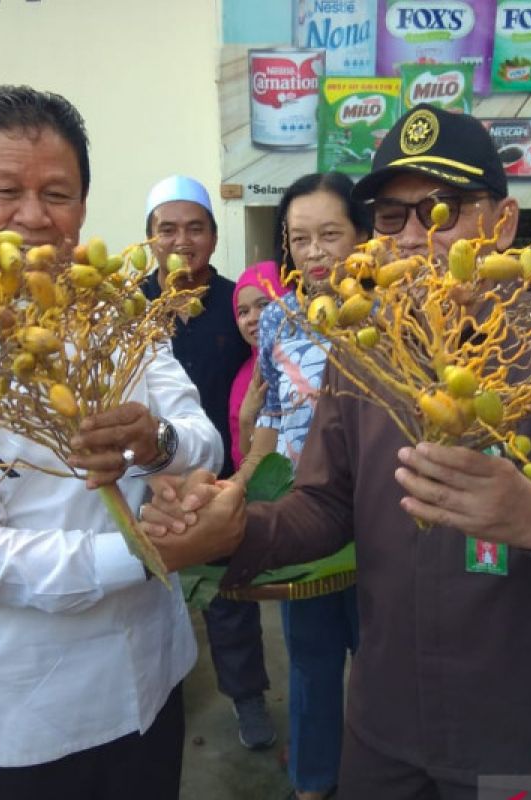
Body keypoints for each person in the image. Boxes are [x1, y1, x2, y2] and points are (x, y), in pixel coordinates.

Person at [141, 104, 531, 799]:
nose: (418, 236)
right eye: (393, 216)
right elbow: (325, 507)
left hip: (513, 730)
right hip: (386, 723)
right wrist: (235, 527)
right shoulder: (365, 353)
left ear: (504, 223)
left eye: (443, 209)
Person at [0, 85, 221, 800]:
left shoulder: (121, 324)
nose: (32, 217)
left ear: (83, 208)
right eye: (6, 190)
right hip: (20, 727)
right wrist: (145, 553)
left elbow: (203, 443)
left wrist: (158, 444)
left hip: (149, 688)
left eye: (57, 193)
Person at [234, 173, 367, 800]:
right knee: (310, 661)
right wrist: (245, 491)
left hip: (378, 521)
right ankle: (313, 782)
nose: (315, 253)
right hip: (302, 518)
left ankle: (376, 776)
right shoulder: (279, 322)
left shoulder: (393, 317)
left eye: (330, 235)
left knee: (379, 664)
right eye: (300, 239)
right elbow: (271, 416)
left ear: (362, 236)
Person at [141, 175, 277, 751]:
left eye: (195, 228)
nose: (181, 240)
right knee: (144, 589)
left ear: (215, 236)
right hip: (145, 477)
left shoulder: (232, 302)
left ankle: (247, 699)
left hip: (221, 477)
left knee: (228, 595)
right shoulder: (127, 309)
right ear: (149, 239)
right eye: (167, 229)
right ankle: (153, 694)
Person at [229, 260, 287, 471]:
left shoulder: (311, 363)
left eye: (263, 305)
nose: (253, 319)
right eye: (243, 312)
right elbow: (243, 465)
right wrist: (246, 419)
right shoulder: (244, 379)